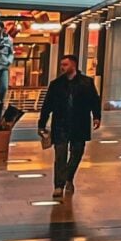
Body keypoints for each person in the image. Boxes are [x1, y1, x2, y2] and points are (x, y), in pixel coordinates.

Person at [38, 55, 101, 196]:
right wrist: (42, 123)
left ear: (74, 65)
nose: (62, 67)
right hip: (60, 124)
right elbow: (47, 105)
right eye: (62, 64)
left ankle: (68, 176)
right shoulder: (56, 84)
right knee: (60, 155)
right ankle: (59, 185)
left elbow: (94, 101)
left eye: (65, 64)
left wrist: (96, 116)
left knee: (77, 152)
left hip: (80, 123)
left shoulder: (86, 83)